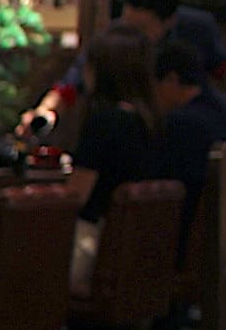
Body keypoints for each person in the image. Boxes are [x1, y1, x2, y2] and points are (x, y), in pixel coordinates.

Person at [21, 0, 226, 140]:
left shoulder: (195, 28)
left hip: (190, 128)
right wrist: (45, 113)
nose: (130, 34)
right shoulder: (116, 39)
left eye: (140, 27)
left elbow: (225, 67)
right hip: (139, 129)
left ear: (169, 21)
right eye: (126, 23)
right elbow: (71, 84)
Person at [65, 22, 160, 295]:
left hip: (90, 247)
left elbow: (74, 199)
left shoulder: (105, 122)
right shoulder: (149, 123)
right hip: (129, 253)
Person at [151, 36, 226, 263]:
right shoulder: (221, 110)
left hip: (178, 240)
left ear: (171, 79)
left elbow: (158, 179)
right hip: (215, 238)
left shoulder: (181, 122)